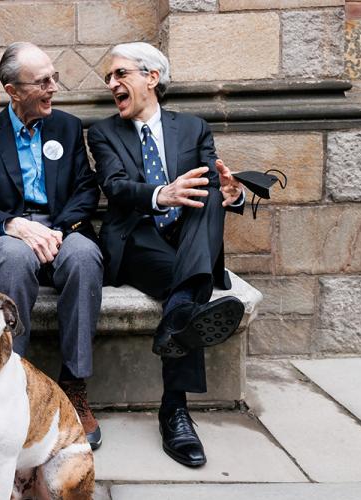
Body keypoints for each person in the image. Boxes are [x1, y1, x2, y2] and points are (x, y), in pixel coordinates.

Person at [87, 42, 246, 467]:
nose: (111, 84)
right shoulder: (103, 132)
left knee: (211, 193)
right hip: (138, 241)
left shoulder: (193, 128)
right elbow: (116, 187)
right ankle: (175, 410)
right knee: (192, 291)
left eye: (120, 74)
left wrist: (232, 195)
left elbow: (217, 182)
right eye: (109, 78)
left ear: (151, 78)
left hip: (189, 238)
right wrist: (163, 193)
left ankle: (176, 317)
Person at [0, 42, 104, 449]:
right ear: (12, 91)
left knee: (84, 256)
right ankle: (12, 381)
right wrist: (14, 224)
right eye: (42, 82)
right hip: (8, 233)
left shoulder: (68, 127)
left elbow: (84, 190)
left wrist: (57, 229)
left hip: (61, 229)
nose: (53, 88)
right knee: (12, 256)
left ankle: (74, 384)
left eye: (53, 78)